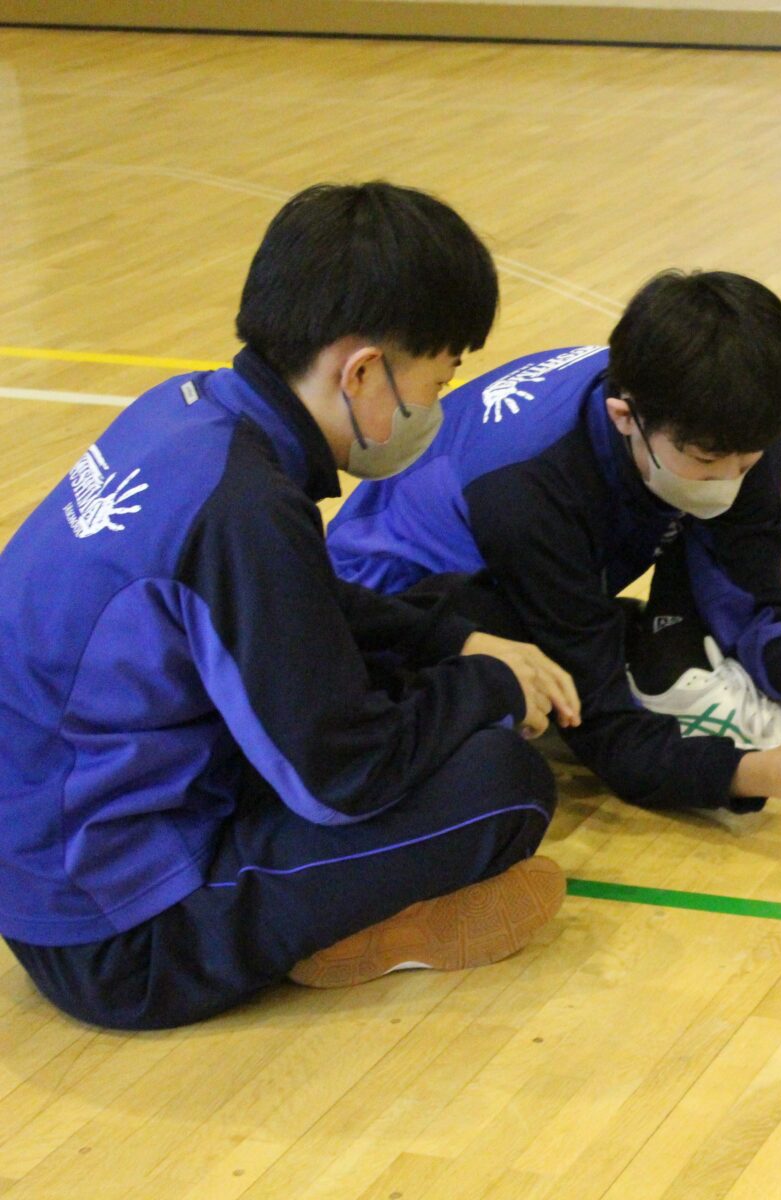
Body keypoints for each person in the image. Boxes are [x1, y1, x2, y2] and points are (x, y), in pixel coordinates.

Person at [0, 183, 585, 1029]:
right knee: (505, 783)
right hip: (120, 942)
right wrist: (489, 688)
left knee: (416, 654)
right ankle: (368, 926)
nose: (439, 407)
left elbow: (297, 608)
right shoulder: (248, 510)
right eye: (439, 378)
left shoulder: (186, 413)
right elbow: (344, 777)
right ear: (360, 371)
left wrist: (454, 643)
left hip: (45, 862)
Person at [325, 270, 781, 813]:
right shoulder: (529, 493)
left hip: (530, 567)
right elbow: (608, 736)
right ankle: (626, 657)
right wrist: (769, 773)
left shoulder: (726, 413)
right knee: (528, 737)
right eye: (709, 460)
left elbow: (745, 576)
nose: (734, 477)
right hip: (390, 624)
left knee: (692, 521)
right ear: (623, 417)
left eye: (749, 459)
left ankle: (640, 654)